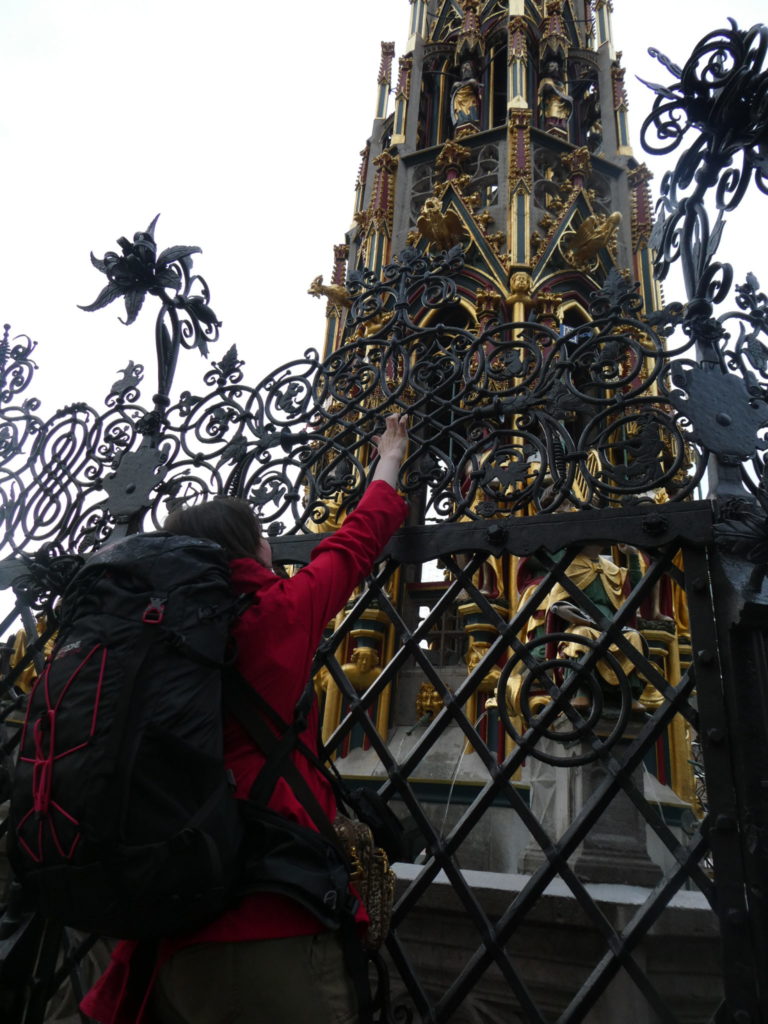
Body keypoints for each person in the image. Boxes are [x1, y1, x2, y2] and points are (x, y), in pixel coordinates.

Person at [80, 413, 409, 1024]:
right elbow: (354, 542)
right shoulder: (269, 616)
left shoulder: (136, 637)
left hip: (161, 917)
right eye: (261, 537)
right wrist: (388, 461)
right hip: (267, 911)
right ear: (246, 548)